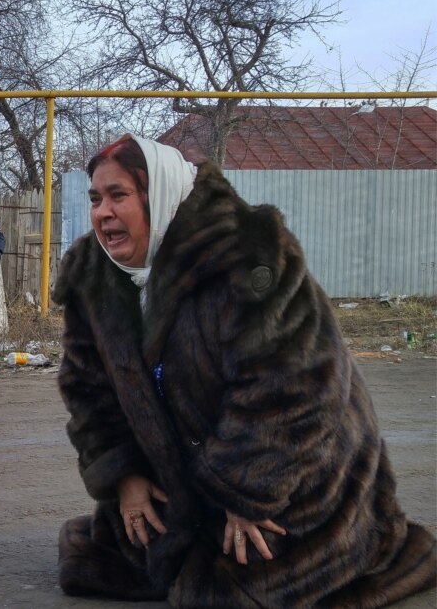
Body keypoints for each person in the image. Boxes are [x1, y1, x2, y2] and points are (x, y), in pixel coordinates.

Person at [54, 134, 436, 606]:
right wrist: (125, 477)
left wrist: (246, 493)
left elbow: (294, 389)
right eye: (95, 199)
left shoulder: (250, 256)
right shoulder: (94, 276)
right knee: (102, 564)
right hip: (190, 476)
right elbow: (87, 388)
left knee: (231, 592)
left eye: (118, 195)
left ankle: (374, 541)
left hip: (299, 470)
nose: (103, 213)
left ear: (162, 195)